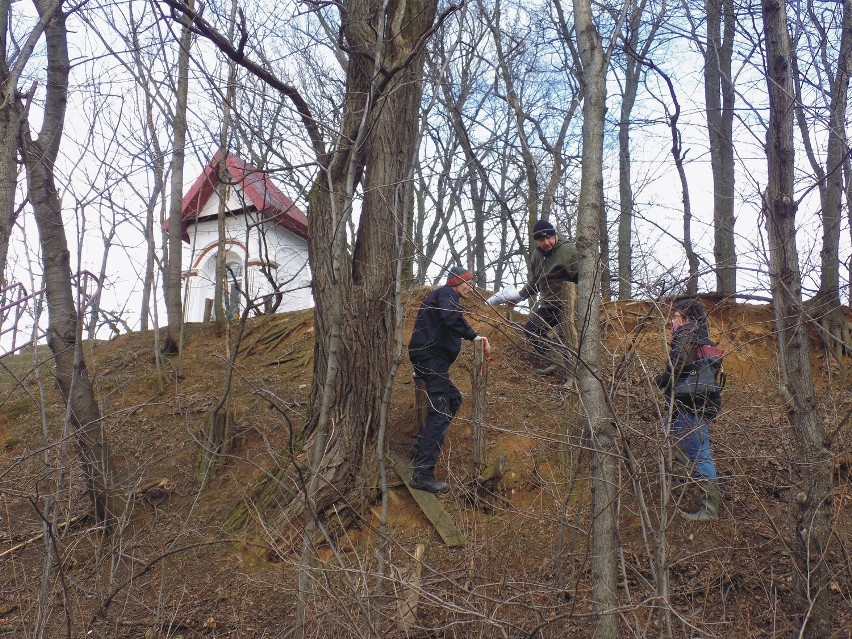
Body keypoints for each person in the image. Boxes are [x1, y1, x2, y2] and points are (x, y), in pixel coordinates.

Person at [408, 266, 490, 495]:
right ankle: (422, 474)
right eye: (469, 283)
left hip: (429, 358)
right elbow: (451, 317)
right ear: (456, 282)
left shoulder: (442, 297)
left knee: (453, 399)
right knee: (441, 409)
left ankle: (420, 445)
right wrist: (475, 336)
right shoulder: (446, 294)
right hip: (430, 358)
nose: (471, 288)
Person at [654, 298, 722, 521]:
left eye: (676, 316)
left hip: (688, 403)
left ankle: (709, 510)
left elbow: (679, 363)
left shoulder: (686, 333)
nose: (672, 320)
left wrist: (663, 379)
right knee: (666, 434)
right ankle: (681, 475)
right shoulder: (702, 337)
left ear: (687, 318)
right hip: (696, 402)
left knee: (700, 454)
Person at [516, 219, 579, 376]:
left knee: (567, 338)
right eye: (541, 240)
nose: (546, 242)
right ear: (537, 242)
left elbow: (582, 279)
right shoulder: (537, 255)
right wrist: (520, 296)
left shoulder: (569, 251)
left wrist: (580, 304)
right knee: (531, 330)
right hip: (548, 304)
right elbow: (535, 281)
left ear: (555, 235)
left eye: (549, 238)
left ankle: (572, 375)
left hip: (567, 303)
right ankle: (556, 361)